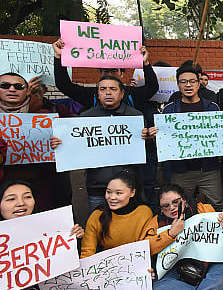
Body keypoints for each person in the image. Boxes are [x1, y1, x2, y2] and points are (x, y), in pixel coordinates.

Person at [49, 75, 153, 212]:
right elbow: (76, 149)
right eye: (103, 89)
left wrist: (149, 138)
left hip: (128, 184)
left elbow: (146, 151)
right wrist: (61, 144)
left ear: (122, 93)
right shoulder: (85, 118)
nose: (108, 92)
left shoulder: (135, 117)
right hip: (97, 186)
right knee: (99, 224)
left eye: (113, 89)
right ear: (97, 94)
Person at [0, 180, 92, 290]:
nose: (20, 203)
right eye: (11, 199)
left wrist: (76, 240)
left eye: (27, 197)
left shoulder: (52, 228)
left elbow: (75, 270)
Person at [147, 183, 223, 290]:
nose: (172, 208)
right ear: (161, 209)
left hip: (209, 265)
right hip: (176, 270)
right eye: (166, 206)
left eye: (176, 202)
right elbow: (146, 248)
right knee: (154, 289)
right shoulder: (156, 222)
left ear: (184, 200)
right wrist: (170, 234)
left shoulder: (203, 209)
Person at [159, 65, 223, 211]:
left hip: (209, 170)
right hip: (180, 171)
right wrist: (156, 133)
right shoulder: (169, 109)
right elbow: (165, 138)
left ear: (198, 83)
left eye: (192, 81)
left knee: (218, 205)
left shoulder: (212, 108)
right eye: (183, 81)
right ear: (178, 84)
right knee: (179, 208)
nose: (188, 85)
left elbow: (219, 136)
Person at [0, 72, 73, 212]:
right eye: (5, 85)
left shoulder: (53, 111)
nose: (12, 89)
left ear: (28, 90)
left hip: (46, 186)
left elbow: (78, 137)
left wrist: (65, 141)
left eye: (18, 86)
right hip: (4, 185)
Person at [80, 170, 174, 258]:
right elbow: (87, 253)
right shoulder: (97, 215)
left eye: (119, 193)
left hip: (138, 264)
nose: (112, 197)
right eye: (108, 192)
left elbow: (147, 246)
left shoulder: (144, 212)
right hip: (107, 268)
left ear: (132, 192)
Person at [52, 38, 158, 114]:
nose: (109, 74)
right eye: (105, 71)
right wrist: (59, 57)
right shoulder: (90, 95)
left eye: (114, 71)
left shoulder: (132, 94)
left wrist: (146, 64)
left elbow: (152, 87)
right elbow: (64, 85)